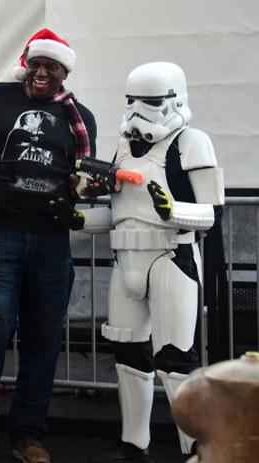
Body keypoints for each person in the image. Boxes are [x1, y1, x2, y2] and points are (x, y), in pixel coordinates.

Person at [0, 28, 97, 463]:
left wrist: (83, 186)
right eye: (36, 65)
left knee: (43, 338)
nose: (42, 73)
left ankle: (28, 434)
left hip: (51, 240)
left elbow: (87, 173)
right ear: (26, 65)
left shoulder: (80, 116)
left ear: (63, 72)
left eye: (51, 67)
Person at [72, 62, 224, 463]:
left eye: (150, 102)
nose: (138, 111)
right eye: (132, 101)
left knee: (175, 361)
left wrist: (173, 209)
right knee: (129, 356)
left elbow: (211, 213)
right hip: (126, 260)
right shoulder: (122, 149)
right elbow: (120, 213)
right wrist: (78, 218)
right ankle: (133, 444)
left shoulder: (192, 142)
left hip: (171, 257)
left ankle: (194, 449)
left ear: (174, 101)